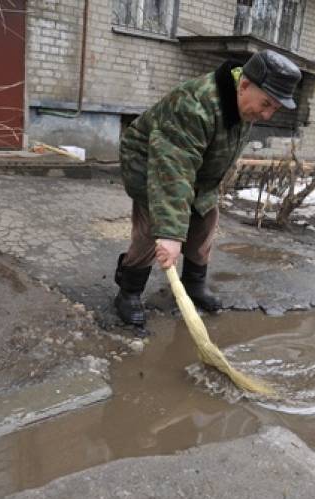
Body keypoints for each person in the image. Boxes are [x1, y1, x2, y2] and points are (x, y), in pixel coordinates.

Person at [113, 49, 302, 327]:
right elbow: (173, 168)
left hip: (199, 173)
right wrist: (171, 234)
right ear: (245, 85)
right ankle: (128, 292)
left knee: (205, 221)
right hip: (152, 165)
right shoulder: (194, 105)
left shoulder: (243, 105)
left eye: (275, 107)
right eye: (266, 104)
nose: (267, 114)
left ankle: (194, 284)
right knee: (152, 231)